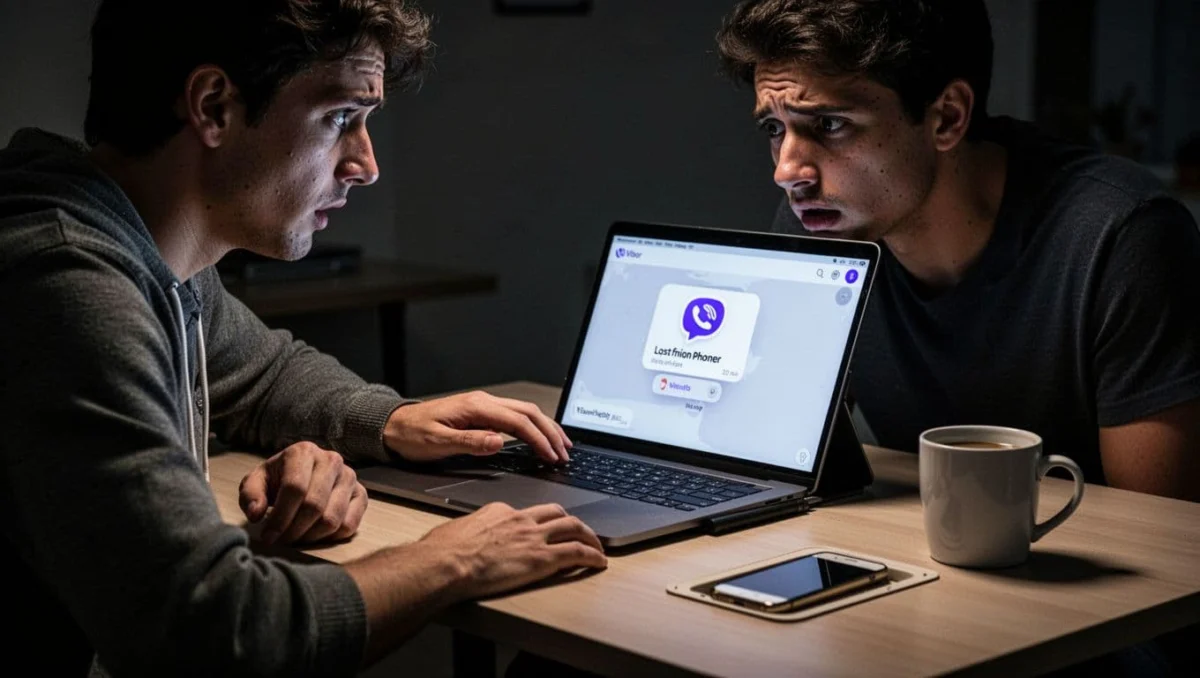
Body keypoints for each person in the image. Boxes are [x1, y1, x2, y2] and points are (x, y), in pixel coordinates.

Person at [0, 1, 605, 676]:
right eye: (341, 117)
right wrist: (454, 556)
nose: (366, 164)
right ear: (213, 106)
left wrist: (395, 420)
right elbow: (211, 633)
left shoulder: (143, 248)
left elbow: (262, 375)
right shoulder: (64, 282)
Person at [715, 0, 1200, 502]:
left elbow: (1168, 534)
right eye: (775, 129)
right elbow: (790, 460)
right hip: (926, 556)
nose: (787, 172)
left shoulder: (1120, 236)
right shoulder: (820, 228)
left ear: (946, 117)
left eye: (830, 125)